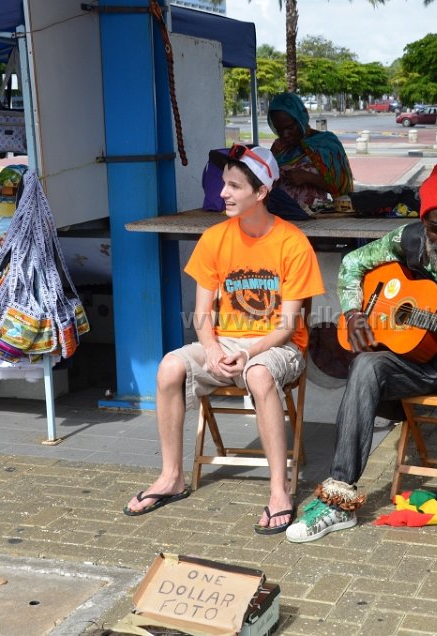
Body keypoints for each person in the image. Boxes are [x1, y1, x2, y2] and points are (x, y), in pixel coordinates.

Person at [285, 159, 437, 566]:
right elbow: (352, 264)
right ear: (424, 223)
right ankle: (338, 501)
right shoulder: (407, 239)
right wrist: (354, 312)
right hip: (414, 362)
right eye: (436, 229)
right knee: (366, 366)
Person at [124, 144, 325, 534]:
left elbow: (287, 327)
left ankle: (279, 491)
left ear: (261, 192)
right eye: (224, 184)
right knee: (169, 367)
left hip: (277, 347)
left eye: (234, 186)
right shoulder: (214, 238)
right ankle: (171, 477)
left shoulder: (293, 243)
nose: (223, 193)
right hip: (225, 343)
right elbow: (202, 313)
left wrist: (249, 353)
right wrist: (213, 349)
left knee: (259, 375)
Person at [268, 92, 354, 212]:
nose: (285, 134)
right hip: (281, 215)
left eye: (290, 127)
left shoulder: (326, 144)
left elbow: (341, 188)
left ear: (300, 119)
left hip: (314, 216)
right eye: (279, 130)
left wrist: (309, 177)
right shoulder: (278, 147)